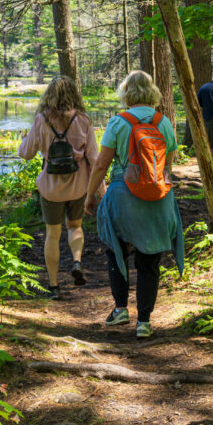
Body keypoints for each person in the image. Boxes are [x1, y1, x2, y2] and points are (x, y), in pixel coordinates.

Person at [84, 70, 184, 339]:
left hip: (123, 195)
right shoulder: (163, 122)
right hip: (158, 197)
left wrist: (90, 194)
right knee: (150, 260)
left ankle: (120, 310)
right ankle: (144, 322)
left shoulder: (118, 123)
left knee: (116, 250)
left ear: (126, 92)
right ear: (152, 92)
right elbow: (167, 166)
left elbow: (101, 164)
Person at [19, 76, 102, 300]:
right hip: (78, 187)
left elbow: (25, 154)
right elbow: (94, 159)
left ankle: (54, 286)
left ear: (49, 95)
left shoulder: (41, 120)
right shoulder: (83, 120)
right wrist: (100, 190)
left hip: (50, 189)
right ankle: (76, 261)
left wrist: (24, 139)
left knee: (52, 234)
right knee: (75, 226)